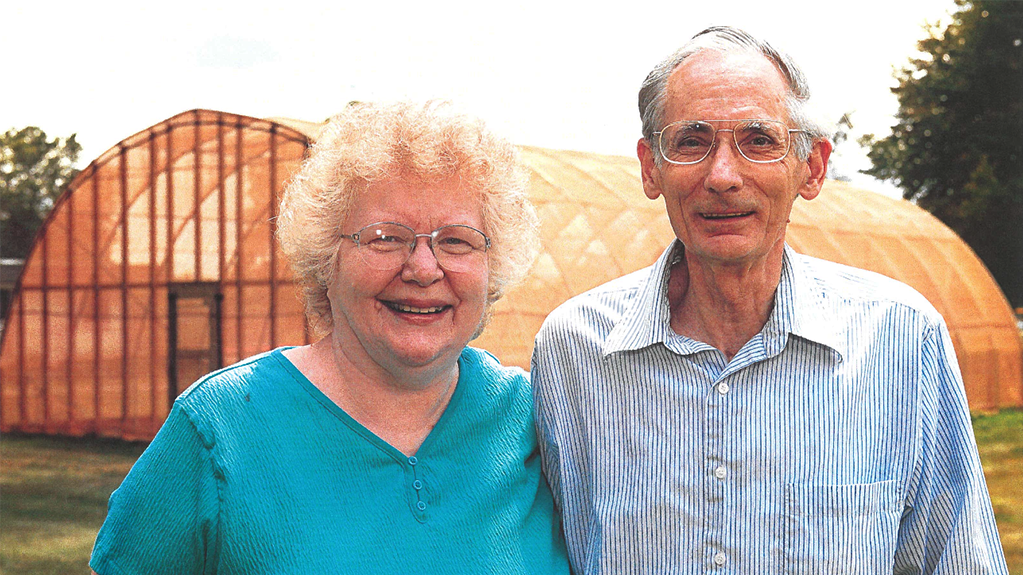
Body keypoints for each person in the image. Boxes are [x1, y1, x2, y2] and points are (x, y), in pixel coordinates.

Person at [531, 26, 1008, 574]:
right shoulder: (576, 350)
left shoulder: (899, 338)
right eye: (691, 142)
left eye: (759, 140)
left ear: (813, 166)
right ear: (649, 166)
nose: (723, 176)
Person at [90, 101, 570, 574]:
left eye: (457, 241)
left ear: (493, 265)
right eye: (385, 237)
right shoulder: (221, 428)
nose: (424, 269)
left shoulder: (536, 419)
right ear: (326, 259)